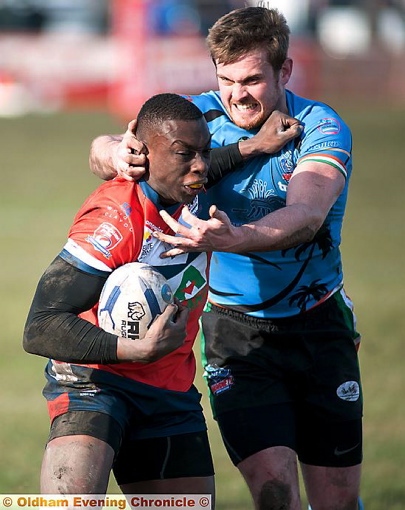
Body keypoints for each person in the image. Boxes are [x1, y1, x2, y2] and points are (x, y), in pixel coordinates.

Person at [88, 7, 363, 510]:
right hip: (235, 334)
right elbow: (109, 144)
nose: (238, 94)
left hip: (321, 327)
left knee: (338, 501)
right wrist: (113, 152)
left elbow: (306, 215)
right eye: (227, 78)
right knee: (275, 491)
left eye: (253, 79)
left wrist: (231, 238)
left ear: (284, 71)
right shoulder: (199, 119)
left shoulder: (319, 126)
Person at [23, 93, 221, 500]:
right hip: (94, 384)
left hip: (169, 389)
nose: (200, 165)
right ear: (143, 155)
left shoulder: (199, 194)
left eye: (205, 151)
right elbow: (40, 326)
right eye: (185, 154)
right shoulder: (116, 220)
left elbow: (218, 160)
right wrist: (135, 349)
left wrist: (256, 145)